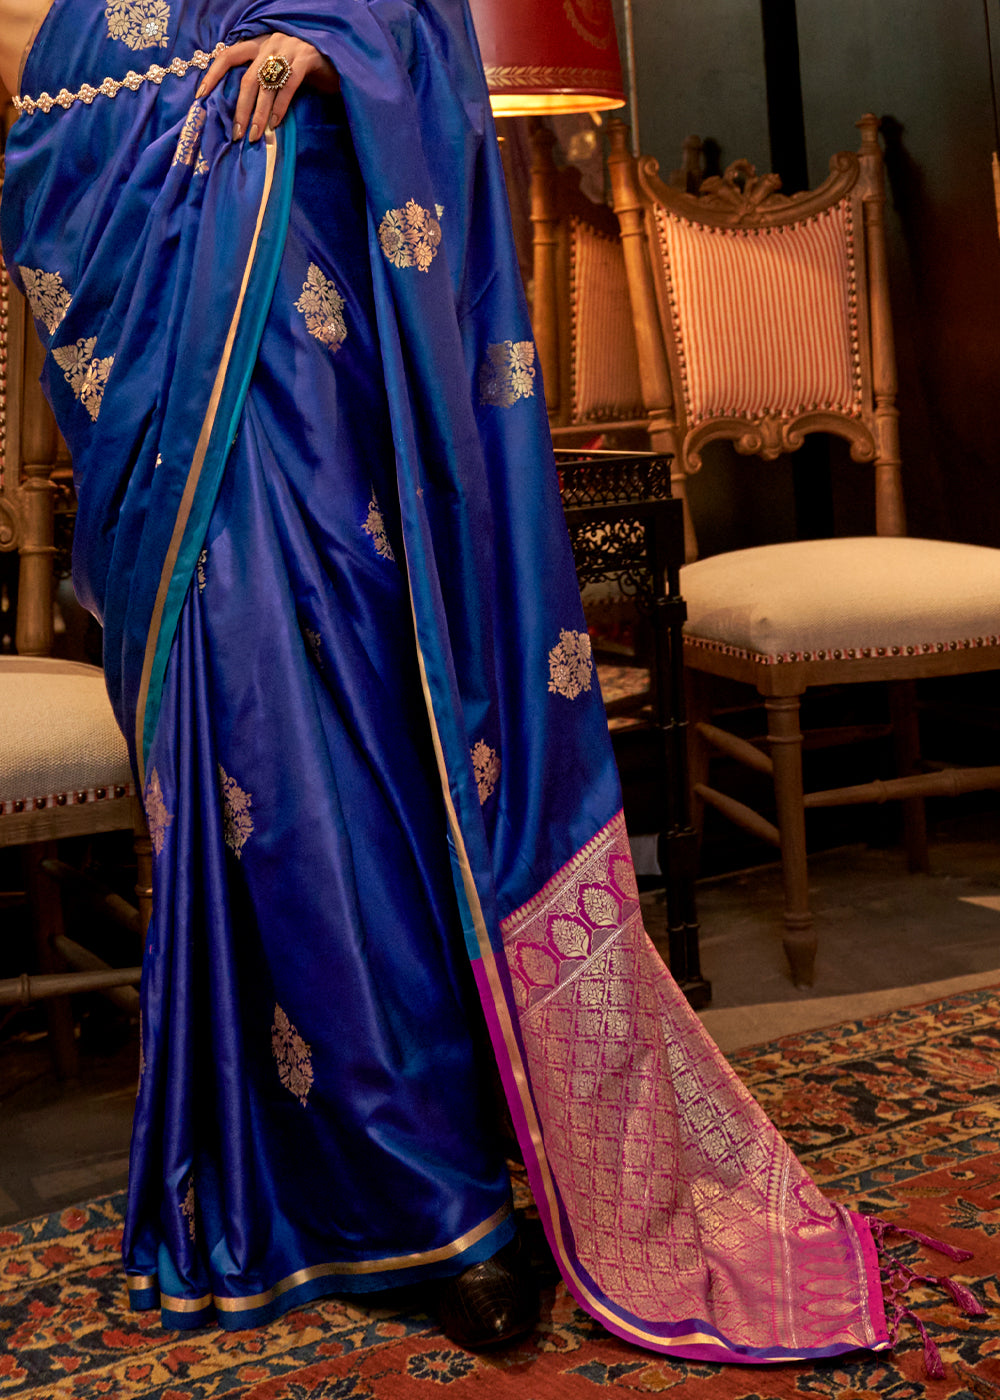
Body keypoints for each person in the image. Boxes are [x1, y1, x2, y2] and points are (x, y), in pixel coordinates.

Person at [1, 0, 895, 1361]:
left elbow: (418, 22)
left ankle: (441, 1187)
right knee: (247, 747)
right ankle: (322, 1183)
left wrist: (330, 49)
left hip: (313, 329)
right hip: (136, 285)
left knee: (363, 747)